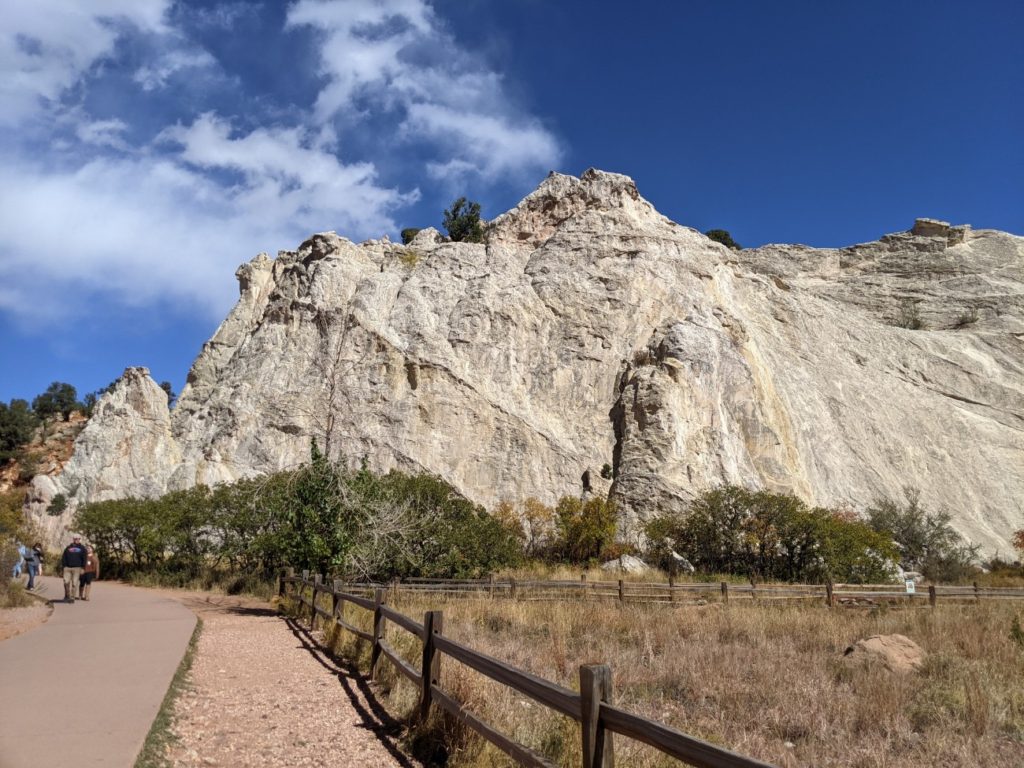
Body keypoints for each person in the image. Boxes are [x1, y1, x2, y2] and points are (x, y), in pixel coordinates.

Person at [61, 535, 88, 603]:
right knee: (66, 582)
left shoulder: (82, 549)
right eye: (75, 538)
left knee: (74, 583)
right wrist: (64, 566)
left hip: (77, 568)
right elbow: (64, 557)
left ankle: (72, 597)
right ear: (73, 539)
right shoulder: (68, 548)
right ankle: (67, 595)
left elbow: (84, 559)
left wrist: (83, 568)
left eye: (78, 538)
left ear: (80, 539)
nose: (76, 540)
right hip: (67, 568)